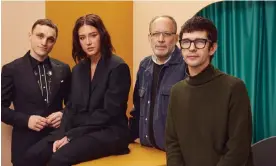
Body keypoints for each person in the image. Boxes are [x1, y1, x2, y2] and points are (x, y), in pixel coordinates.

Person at [24, 14, 131, 166]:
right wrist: (63, 133)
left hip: (109, 131)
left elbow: (109, 113)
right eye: (82, 38)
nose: (88, 42)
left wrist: (70, 136)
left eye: (93, 35)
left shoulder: (118, 67)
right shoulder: (79, 69)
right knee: (33, 155)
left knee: (58, 159)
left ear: (102, 35)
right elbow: (71, 107)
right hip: (80, 130)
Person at [166, 16, 254, 166]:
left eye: (200, 42)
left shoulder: (233, 87)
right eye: (186, 42)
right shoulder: (176, 91)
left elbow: (238, 149)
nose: (192, 48)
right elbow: (173, 144)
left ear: (212, 48)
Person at [1, 18, 71, 166]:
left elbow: (74, 104)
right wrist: (27, 120)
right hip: (25, 149)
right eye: (40, 36)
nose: (44, 42)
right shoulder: (11, 70)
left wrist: (63, 114)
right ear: (30, 36)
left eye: (50, 39)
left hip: (57, 144)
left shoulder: (64, 69)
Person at [129, 15, 186, 150]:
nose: (161, 39)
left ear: (176, 38)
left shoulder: (186, 65)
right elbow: (137, 108)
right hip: (147, 149)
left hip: (173, 153)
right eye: (156, 34)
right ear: (150, 38)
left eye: (167, 34)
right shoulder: (144, 65)